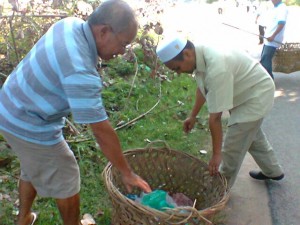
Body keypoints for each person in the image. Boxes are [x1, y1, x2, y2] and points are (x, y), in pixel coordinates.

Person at [0, 0, 152, 224]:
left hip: (9, 105)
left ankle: (23, 218)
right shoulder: (80, 68)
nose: (122, 52)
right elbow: (100, 130)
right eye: (123, 44)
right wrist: (127, 172)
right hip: (27, 122)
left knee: (33, 164)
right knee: (67, 174)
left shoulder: (70, 24)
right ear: (103, 31)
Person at [155, 37, 284, 189]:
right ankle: (273, 171)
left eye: (177, 68)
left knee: (232, 147)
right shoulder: (199, 54)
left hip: (256, 95)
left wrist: (217, 155)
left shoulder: (217, 66)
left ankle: (219, 189)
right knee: (251, 136)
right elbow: (203, 87)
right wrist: (193, 115)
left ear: (187, 54)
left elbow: (215, 118)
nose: (178, 73)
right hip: (244, 91)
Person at [260, 0, 288, 79]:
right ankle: (265, 80)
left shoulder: (282, 8)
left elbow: (281, 24)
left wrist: (273, 36)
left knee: (265, 61)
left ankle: (270, 80)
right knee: (263, 60)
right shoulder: (275, 8)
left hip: (273, 40)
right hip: (268, 39)